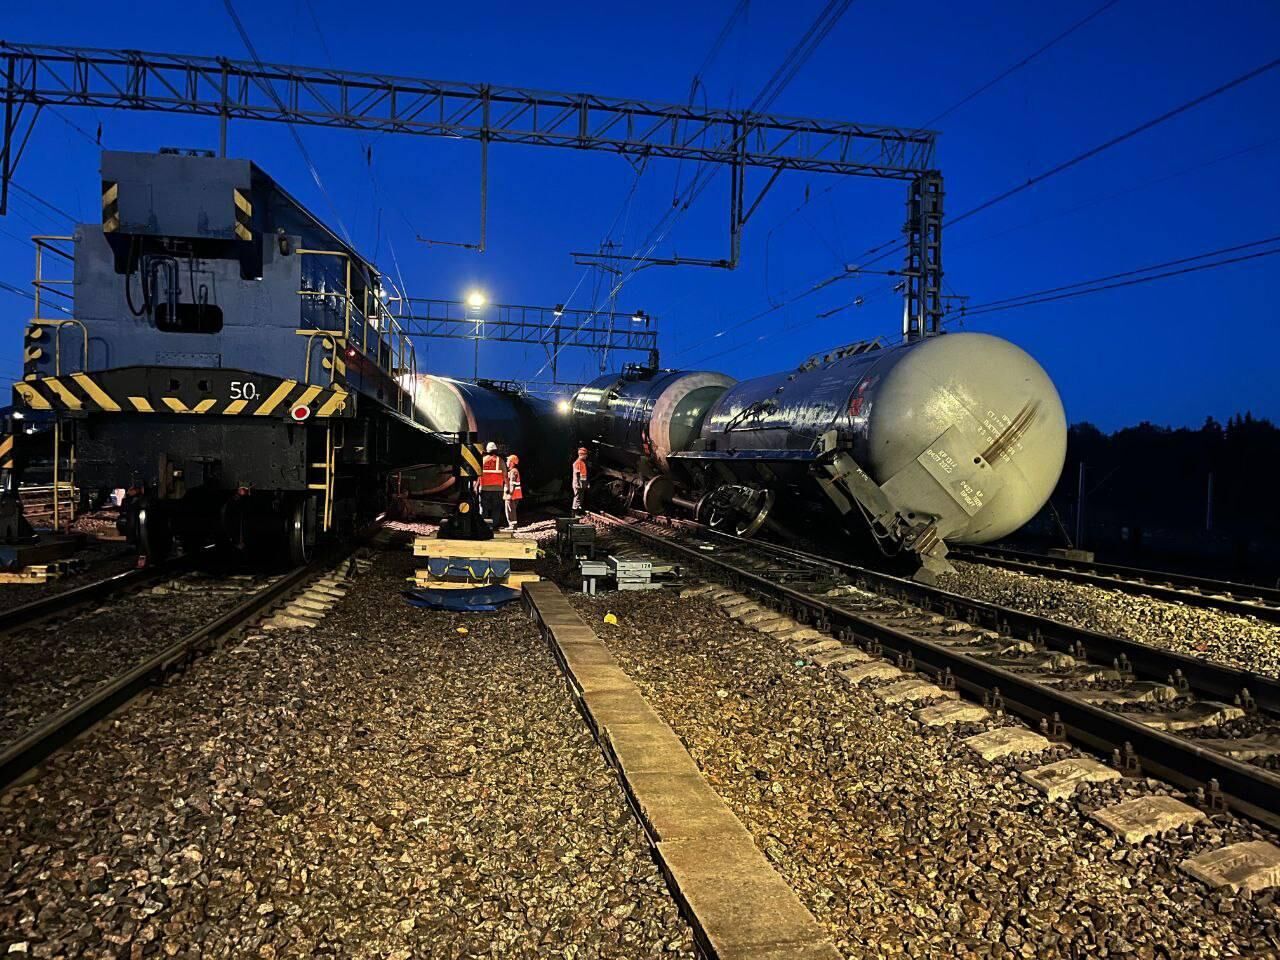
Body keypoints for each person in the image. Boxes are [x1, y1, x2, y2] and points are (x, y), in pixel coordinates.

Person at [477, 441, 504, 528]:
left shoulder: (482, 460)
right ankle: (493, 526)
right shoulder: (500, 460)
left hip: (484, 489)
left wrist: (475, 487)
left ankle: (482, 526)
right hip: (498, 489)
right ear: (495, 450)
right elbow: (506, 475)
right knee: (496, 509)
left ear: (487, 450)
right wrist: (506, 486)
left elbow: (477, 474)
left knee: (483, 508)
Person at [503, 454, 522, 531]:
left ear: (512, 462)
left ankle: (513, 526)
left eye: (508, 461)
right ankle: (512, 525)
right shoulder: (512, 471)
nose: (506, 462)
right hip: (513, 495)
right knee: (510, 510)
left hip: (512, 495)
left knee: (510, 510)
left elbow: (512, 483)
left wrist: (510, 493)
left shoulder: (513, 471)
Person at [572, 446, 589, 515]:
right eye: (585, 455)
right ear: (581, 455)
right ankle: (574, 512)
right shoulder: (577, 462)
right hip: (578, 483)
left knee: (580, 497)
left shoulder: (582, 463)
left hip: (582, 483)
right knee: (577, 497)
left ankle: (578, 510)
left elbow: (583, 474)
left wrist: (586, 483)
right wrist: (578, 483)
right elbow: (577, 473)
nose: (586, 456)